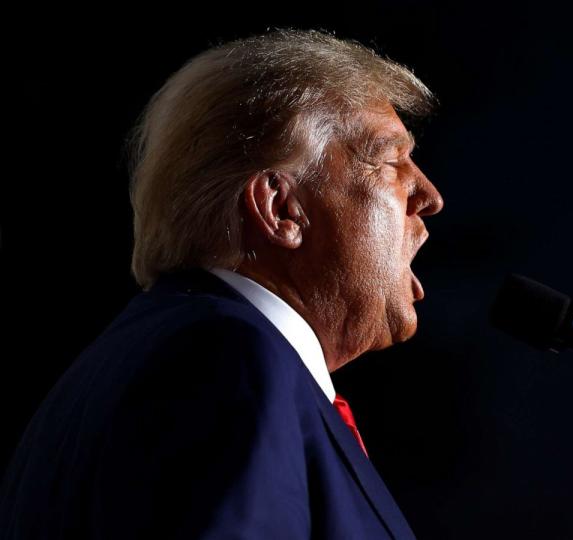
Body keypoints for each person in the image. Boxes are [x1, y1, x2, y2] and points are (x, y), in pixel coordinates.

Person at [0, 28, 443, 539]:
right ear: (281, 209)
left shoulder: (145, 362)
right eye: (391, 160)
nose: (429, 196)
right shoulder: (230, 360)